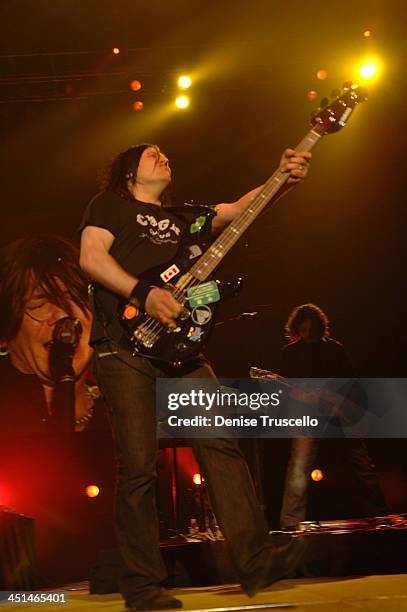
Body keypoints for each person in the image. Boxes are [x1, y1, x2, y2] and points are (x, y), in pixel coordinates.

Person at [79, 142, 312, 610]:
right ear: (129, 173)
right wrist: (142, 294)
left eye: (165, 153)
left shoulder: (186, 217)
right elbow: (90, 258)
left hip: (180, 349)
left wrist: (281, 175)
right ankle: (143, 588)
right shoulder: (110, 205)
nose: (163, 157)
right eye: (151, 154)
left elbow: (239, 210)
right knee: (139, 466)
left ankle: (256, 561)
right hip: (121, 345)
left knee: (221, 445)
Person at [278, 303, 389, 530]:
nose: (307, 334)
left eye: (311, 329)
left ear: (319, 328)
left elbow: (351, 382)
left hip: (339, 416)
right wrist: (296, 395)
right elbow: (283, 389)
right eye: (303, 329)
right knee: (298, 467)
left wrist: (335, 400)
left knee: (362, 466)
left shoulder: (335, 349)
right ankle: (290, 523)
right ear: (297, 328)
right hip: (308, 416)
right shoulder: (289, 354)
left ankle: (379, 515)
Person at [0, 235, 106, 435]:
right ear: (4, 334)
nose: (62, 315)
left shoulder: (135, 402)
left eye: (74, 298)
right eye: (39, 304)